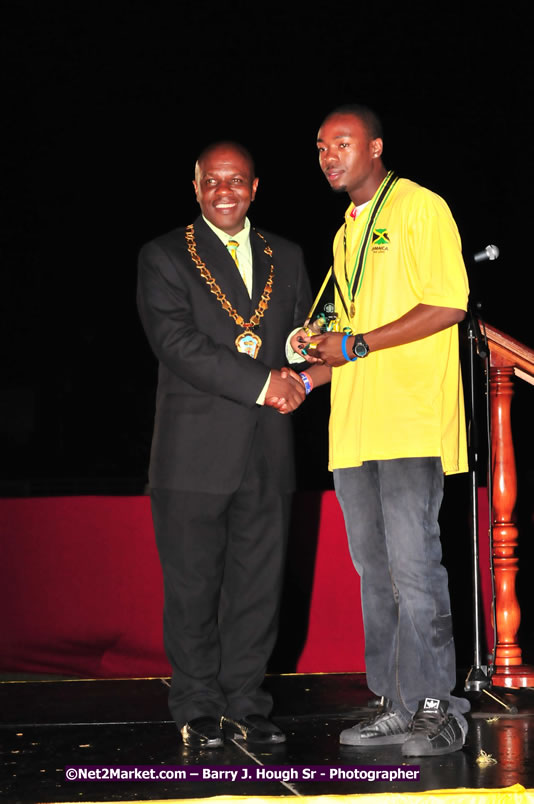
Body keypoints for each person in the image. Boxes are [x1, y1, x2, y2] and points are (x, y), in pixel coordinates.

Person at [289, 105, 471, 756]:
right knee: (375, 574)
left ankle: (439, 709)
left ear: (375, 147)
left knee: (415, 569)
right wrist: (309, 375)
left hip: (409, 421)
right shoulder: (346, 233)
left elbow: (448, 303)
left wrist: (356, 342)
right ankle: (395, 704)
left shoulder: (421, 207)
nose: (329, 156)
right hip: (354, 429)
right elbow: (347, 344)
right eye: (320, 146)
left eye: (342, 143)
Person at [137, 141, 311, 749]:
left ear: (255, 188)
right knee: (192, 589)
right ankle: (196, 706)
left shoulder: (288, 255)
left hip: (268, 451)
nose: (224, 191)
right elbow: (177, 344)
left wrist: (306, 355)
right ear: (196, 187)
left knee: (258, 588)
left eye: (236, 180)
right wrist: (266, 384)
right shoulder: (163, 255)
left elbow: (297, 336)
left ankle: (246, 704)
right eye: (212, 181)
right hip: (191, 454)